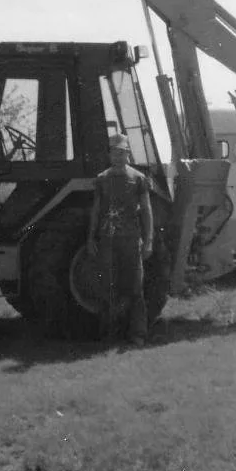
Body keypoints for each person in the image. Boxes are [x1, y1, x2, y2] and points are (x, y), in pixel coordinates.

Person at [86, 134, 154, 348]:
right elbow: (96, 210)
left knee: (135, 287)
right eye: (115, 152)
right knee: (108, 287)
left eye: (122, 152)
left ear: (128, 154)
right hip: (107, 240)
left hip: (131, 241)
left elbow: (147, 211)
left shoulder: (139, 179)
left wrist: (149, 240)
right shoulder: (102, 179)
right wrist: (91, 237)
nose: (118, 156)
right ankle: (109, 334)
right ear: (110, 154)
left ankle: (137, 334)